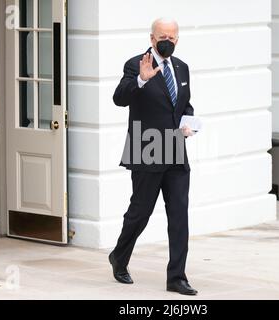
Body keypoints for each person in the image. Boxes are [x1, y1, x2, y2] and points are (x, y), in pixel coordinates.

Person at [109, 18, 198, 295]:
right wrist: (140, 79)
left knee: (179, 215)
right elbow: (119, 98)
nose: (167, 41)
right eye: (162, 36)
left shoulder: (182, 67)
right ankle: (119, 257)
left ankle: (177, 277)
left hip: (175, 149)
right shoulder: (136, 64)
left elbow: (186, 104)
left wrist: (189, 124)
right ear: (151, 38)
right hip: (147, 148)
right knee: (141, 212)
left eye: (172, 37)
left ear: (177, 40)